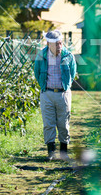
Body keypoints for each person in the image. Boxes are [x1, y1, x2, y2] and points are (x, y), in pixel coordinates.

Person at [33, 30, 77, 161]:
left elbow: (73, 73)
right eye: (56, 44)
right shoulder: (42, 55)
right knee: (48, 123)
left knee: (63, 123)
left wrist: (66, 86)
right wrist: (43, 86)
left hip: (63, 93)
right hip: (47, 93)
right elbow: (37, 72)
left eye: (60, 43)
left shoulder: (68, 56)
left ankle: (64, 152)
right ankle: (51, 152)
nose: (59, 46)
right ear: (48, 44)